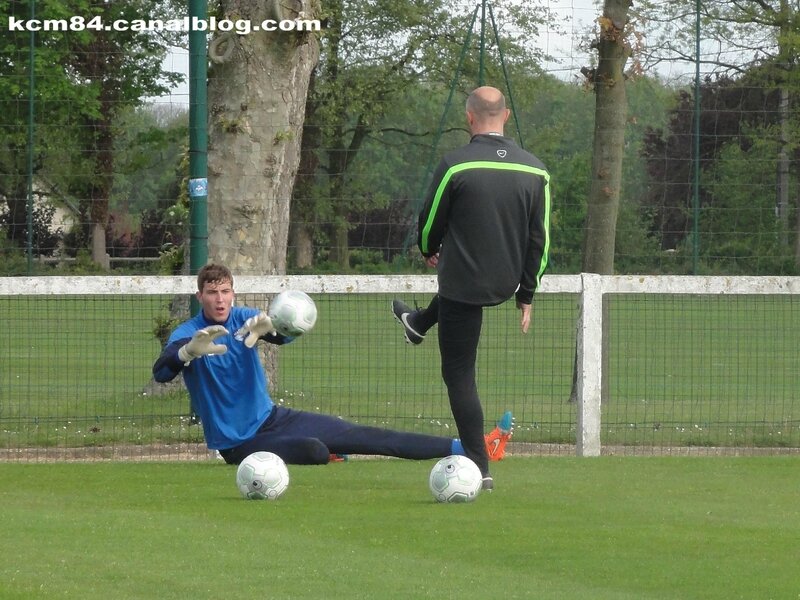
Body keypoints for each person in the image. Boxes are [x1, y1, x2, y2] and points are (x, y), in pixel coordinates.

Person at [153, 263, 512, 470]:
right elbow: (162, 370)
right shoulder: (188, 333)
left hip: (273, 418)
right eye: (212, 292)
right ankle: (330, 453)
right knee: (314, 450)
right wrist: (187, 352)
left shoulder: (246, 317)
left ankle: (470, 447)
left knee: (363, 434)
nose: (220, 299)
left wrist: (272, 331)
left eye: (225, 291)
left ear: (233, 293)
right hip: (236, 443)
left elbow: (281, 333)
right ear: (199, 296)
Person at [392, 86, 551, 491]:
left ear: (469, 117)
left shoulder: (455, 165)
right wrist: (526, 294)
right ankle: (418, 321)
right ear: (507, 116)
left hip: (462, 282)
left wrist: (430, 250)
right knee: (455, 295)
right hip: (506, 278)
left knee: (459, 374)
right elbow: (540, 240)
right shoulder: (536, 171)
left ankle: (480, 466)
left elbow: (429, 224)